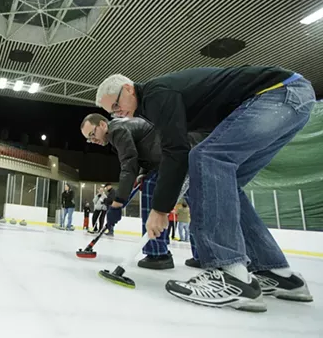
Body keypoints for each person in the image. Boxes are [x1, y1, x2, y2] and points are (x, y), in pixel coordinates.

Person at [96, 66, 315, 311]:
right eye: (112, 113)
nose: (118, 114)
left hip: (278, 95)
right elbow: (190, 143)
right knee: (224, 182)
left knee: (206, 157)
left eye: (116, 106)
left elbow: (176, 151)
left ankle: (231, 274)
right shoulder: (155, 102)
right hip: (292, 100)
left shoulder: (155, 94)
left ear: (128, 89)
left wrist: (160, 209)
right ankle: (279, 274)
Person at [81, 113, 176, 269]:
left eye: (93, 134)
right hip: (163, 160)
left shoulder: (116, 131)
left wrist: (117, 204)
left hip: (166, 160)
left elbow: (128, 166)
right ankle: (185, 252)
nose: (93, 140)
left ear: (103, 125)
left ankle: (158, 254)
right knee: (154, 193)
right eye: (89, 139)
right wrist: (142, 173)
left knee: (152, 197)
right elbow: (145, 148)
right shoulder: (118, 129)